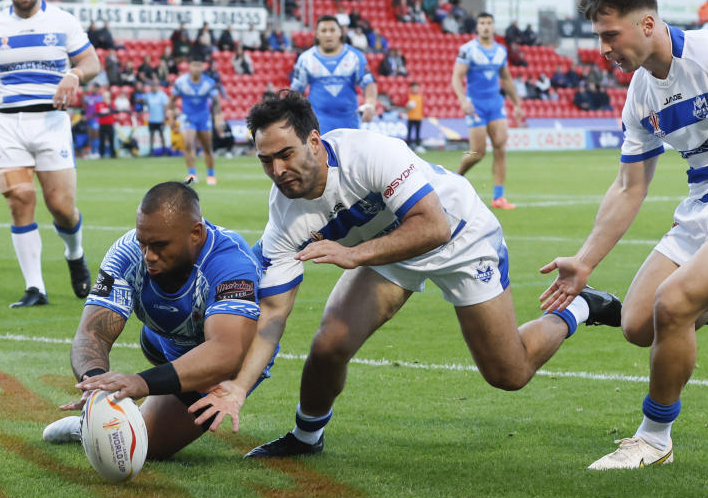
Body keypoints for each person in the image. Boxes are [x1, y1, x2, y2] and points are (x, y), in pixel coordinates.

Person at [194, 90, 620, 458]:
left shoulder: (370, 154)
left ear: (314, 141)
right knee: (328, 345)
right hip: (390, 250)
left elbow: (434, 227)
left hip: (460, 237)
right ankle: (307, 437)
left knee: (509, 373)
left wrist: (356, 254)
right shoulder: (284, 218)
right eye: (265, 160)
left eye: (285, 154)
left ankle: (581, 307)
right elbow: (272, 315)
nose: (277, 170)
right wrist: (239, 388)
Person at [541, 0, 708, 469]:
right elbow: (629, 185)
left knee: (674, 303)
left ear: (649, 24)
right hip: (700, 206)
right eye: (598, 36)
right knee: (639, 324)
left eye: (610, 34)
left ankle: (654, 438)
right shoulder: (640, 93)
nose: (603, 48)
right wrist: (585, 260)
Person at [41, 182, 273, 459]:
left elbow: (228, 352)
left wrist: (141, 382)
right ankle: (95, 421)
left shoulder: (231, 262)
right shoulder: (127, 253)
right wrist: (95, 385)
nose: (148, 256)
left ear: (196, 233)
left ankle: (86, 430)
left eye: (160, 245)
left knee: (138, 446)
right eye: (143, 243)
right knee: (152, 349)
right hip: (163, 340)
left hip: (228, 363)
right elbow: (92, 333)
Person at [0, 0, 100, 307]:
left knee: (62, 207)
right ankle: (35, 287)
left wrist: (73, 74)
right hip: (7, 122)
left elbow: (91, 61)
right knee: (20, 200)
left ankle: (75, 253)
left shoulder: (62, 20)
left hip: (51, 122)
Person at [452, 12, 525, 210]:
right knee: (477, 152)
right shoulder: (468, 50)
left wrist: (517, 104)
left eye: (489, 23)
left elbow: (507, 79)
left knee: (500, 147)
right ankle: (454, 178)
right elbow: (457, 77)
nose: (485, 26)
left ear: (493, 26)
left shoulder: (501, 51)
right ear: (477, 27)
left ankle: (498, 197)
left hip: (495, 104)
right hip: (476, 105)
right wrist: (463, 100)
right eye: (482, 23)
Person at [290, 15, 377, 135]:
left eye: (332, 30)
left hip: (350, 124)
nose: (328, 34)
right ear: (317, 34)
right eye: (323, 30)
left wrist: (370, 104)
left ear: (340, 33)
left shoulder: (355, 56)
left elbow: (368, 83)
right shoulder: (306, 59)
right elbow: (296, 91)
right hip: (317, 125)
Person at [169, 50, 221, 185]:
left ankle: (211, 174)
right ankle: (192, 173)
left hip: (204, 117)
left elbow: (216, 102)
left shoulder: (209, 83)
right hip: (188, 117)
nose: (196, 68)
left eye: (199, 65)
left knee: (207, 147)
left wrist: (217, 117)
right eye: (194, 65)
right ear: (189, 66)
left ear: (203, 67)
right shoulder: (181, 82)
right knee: (188, 144)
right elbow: (172, 100)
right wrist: (171, 117)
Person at [144, 78, 169, 154]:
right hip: (152, 119)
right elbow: (145, 104)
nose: (154, 87)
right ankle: (151, 151)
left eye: (156, 85)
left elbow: (165, 107)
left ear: (158, 86)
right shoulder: (148, 95)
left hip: (160, 119)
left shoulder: (162, 95)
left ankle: (164, 151)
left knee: (162, 135)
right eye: (153, 85)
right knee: (151, 135)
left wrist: (164, 118)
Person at [405, 81, 424, 151]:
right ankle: (409, 145)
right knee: (409, 132)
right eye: (414, 87)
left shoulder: (420, 96)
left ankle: (418, 146)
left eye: (416, 87)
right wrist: (408, 106)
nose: (415, 89)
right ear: (411, 88)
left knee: (418, 132)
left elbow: (422, 107)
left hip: (419, 117)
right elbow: (405, 107)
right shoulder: (409, 96)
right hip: (411, 117)